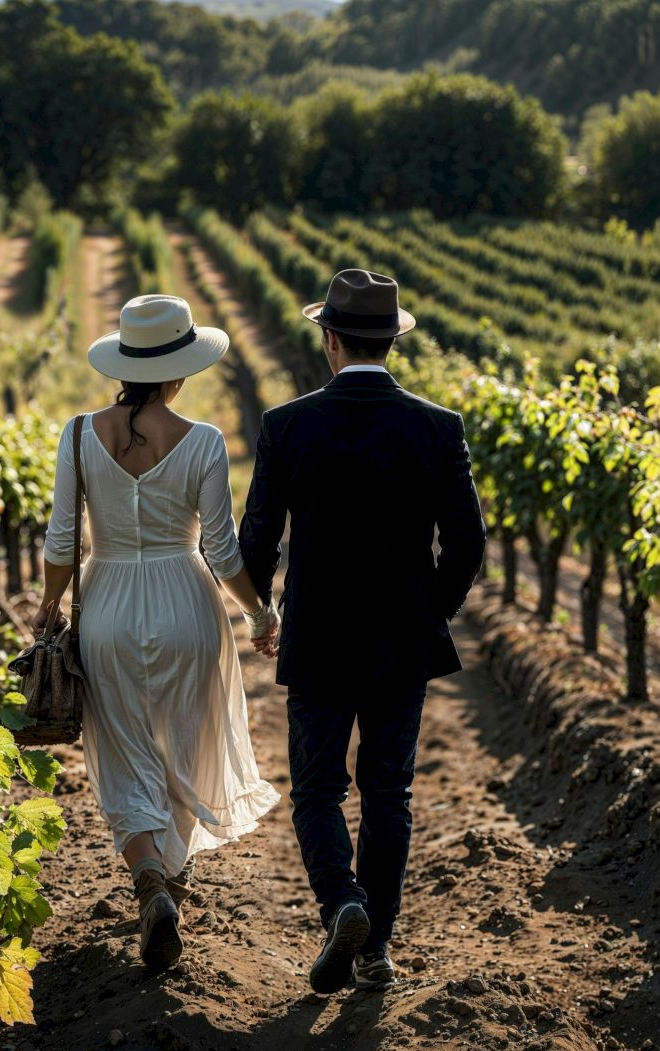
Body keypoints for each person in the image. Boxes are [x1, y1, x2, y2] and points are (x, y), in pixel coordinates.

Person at [237, 269, 486, 994]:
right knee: (388, 793)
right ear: (391, 343)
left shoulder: (287, 426)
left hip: (317, 637)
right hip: (401, 641)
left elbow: (258, 539)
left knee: (316, 791)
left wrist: (261, 611)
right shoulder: (439, 428)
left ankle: (341, 902)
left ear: (331, 341)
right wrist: (429, 607)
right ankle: (375, 948)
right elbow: (467, 544)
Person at [33, 294, 283, 971]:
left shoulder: (80, 433)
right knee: (184, 745)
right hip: (187, 602)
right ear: (180, 370)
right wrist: (260, 613)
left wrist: (51, 607)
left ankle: (149, 883)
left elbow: (62, 541)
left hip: (109, 600)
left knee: (122, 753)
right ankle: (171, 882)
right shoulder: (202, 441)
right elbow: (223, 551)